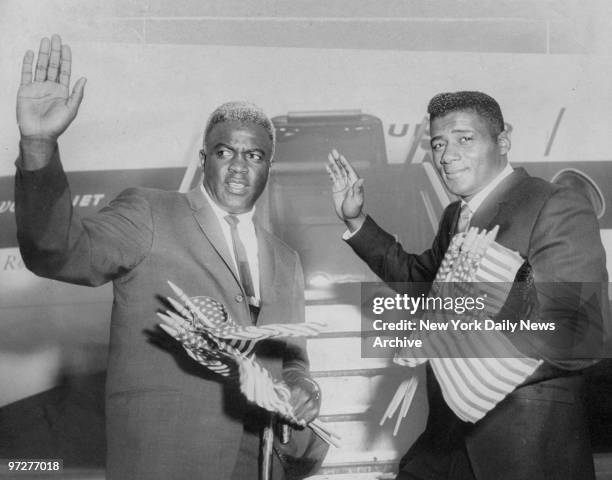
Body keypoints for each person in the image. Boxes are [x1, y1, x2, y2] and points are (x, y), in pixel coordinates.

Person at [14, 34, 321, 480]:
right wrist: (39, 147)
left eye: (254, 155)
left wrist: (302, 384)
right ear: (203, 160)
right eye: (224, 152)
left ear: (268, 167)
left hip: (258, 464)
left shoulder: (287, 259)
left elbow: (292, 358)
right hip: (165, 460)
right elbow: (58, 250)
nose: (238, 166)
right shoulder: (149, 213)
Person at [327, 91, 609, 479]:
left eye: (464, 139)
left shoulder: (552, 203)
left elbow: (577, 335)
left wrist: (463, 338)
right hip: (448, 436)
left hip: (522, 443)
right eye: (438, 144)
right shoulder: (455, 216)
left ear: (503, 142)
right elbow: (419, 282)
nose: (447, 155)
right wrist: (357, 222)